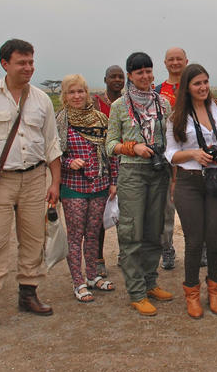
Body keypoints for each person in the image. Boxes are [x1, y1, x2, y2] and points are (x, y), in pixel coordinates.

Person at [0, 39, 62, 341]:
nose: (28, 68)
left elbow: (52, 144)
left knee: (34, 239)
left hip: (34, 178)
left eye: (31, 62)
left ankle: (28, 294)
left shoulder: (42, 99)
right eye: (22, 62)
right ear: (5, 63)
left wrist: (54, 182)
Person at [166, 64, 217, 318]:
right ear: (187, 86)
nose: (203, 87)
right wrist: (194, 153)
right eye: (197, 83)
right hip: (189, 181)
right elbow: (171, 153)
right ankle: (192, 293)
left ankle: (215, 290)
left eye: (206, 82)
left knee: (216, 239)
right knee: (194, 241)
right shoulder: (177, 115)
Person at [105, 52, 174, 316]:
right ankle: (135, 291)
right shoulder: (120, 106)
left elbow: (171, 139)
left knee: (154, 230)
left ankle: (150, 282)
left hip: (159, 172)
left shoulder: (163, 103)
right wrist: (133, 148)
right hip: (132, 173)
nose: (145, 76)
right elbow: (110, 145)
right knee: (132, 233)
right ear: (130, 76)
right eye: (139, 72)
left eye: (148, 71)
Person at [57, 74, 118, 303]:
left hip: (100, 185)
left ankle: (92, 276)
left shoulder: (101, 119)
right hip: (73, 187)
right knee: (75, 236)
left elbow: (110, 151)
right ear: (65, 95)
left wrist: (114, 180)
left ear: (87, 93)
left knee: (93, 234)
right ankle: (78, 282)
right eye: (71, 92)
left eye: (80, 91)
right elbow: (53, 153)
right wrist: (68, 163)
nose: (77, 96)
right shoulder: (61, 121)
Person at [91, 64, 125, 279]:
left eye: (120, 77)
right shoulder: (95, 103)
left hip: (125, 159)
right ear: (105, 79)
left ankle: (125, 254)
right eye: (113, 76)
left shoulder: (126, 103)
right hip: (101, 162)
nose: (117, 80)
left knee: (125, 213)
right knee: (100, 213)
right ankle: (98, 258)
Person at [156, 47, 188, 270]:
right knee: (166, 208)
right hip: (166, 156)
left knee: (193, 206)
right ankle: (167, 248)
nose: (175, 63)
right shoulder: (157, 91)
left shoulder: (195, 86)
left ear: (186, 61)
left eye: (179, 59)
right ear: (165, 63)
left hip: (192, 156)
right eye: (171, 59)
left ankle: (199, 246)